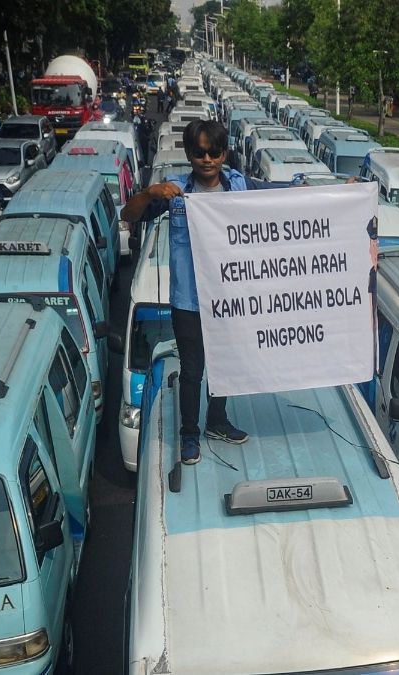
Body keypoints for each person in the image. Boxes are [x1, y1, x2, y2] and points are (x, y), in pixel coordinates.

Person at [119, 119, 273, 466]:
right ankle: (190, 434)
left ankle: (217, 420)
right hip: (189, 301)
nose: (207, 159)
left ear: (224, 154)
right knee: (192, 370)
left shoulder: (240, 186)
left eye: (214, 152)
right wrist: (148, 194)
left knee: (227, 364)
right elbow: (128, 215)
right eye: (199, 152)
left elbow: (281, 197)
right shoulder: (173, 194)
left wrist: (337, 192)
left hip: (231, 297)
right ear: (189, 154)